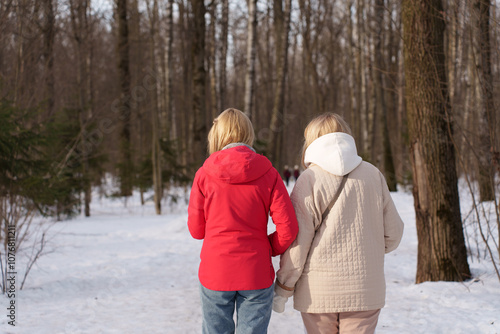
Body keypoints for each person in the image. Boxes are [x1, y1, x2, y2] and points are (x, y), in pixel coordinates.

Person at [273, 113, 404, 334]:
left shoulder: (309, 179)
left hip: (319, 292)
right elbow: (394, 233)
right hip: (365, 289)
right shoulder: (373, 174)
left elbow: (298, 244)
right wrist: (367, 252)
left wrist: (284, 288)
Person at [188, 108, 299, 334]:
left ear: (217, 134)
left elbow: (196, 230)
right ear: (248, 133)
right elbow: (288, 228)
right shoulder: (268, 173)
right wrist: (267, 247)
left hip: (215, 271)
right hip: (255, 271)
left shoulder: (204, 174)